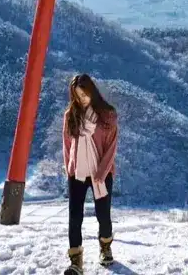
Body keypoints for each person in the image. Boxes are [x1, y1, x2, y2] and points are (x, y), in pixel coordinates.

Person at [63, 73, 118, 274]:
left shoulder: (108, 115)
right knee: (74, 216)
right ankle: (76, 260)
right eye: (77, 95)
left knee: (103, 214)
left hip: (101, 173)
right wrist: (70, 168)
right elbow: (67, 144)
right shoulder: (71, 115)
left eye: (84, 94)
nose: (82, 99)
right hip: (77, 172)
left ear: (92, 91)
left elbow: (111, 147)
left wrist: (101, 173)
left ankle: (105, 247)